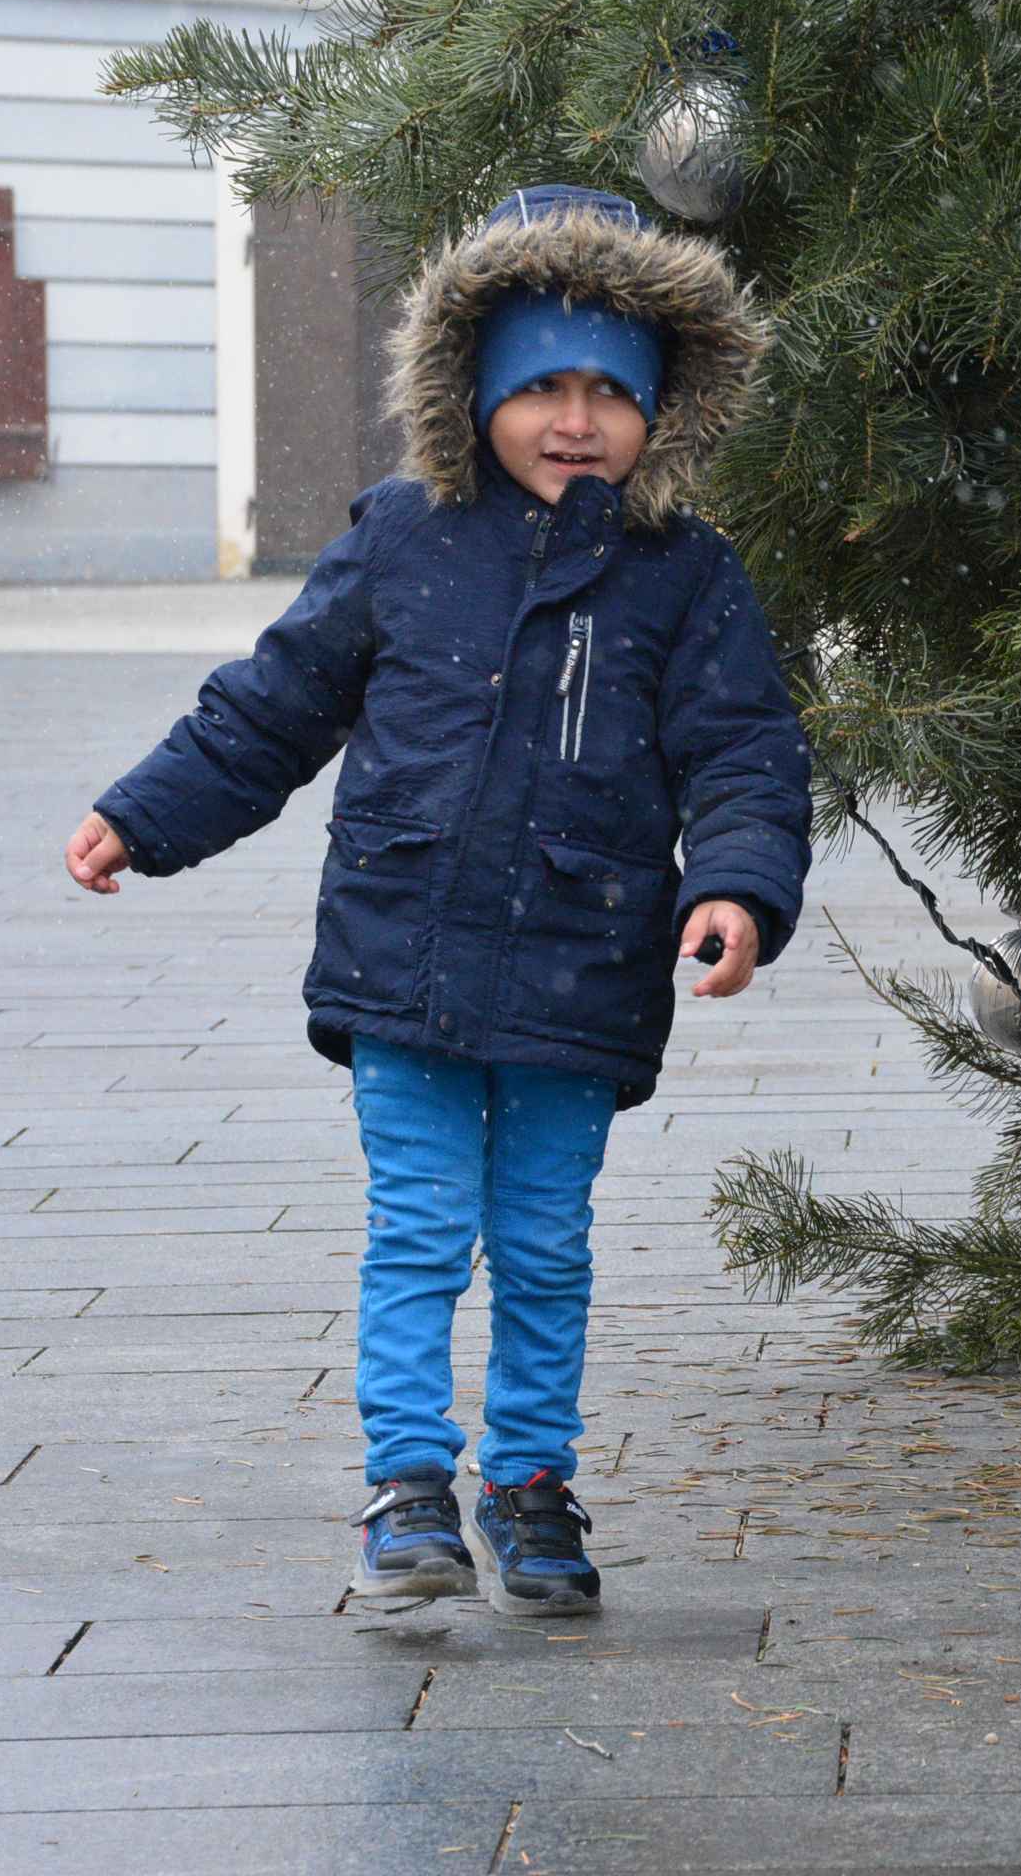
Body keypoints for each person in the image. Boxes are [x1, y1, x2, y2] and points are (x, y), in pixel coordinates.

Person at [61, 185, 810, 1614]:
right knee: (417, 1228)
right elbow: (271, 709)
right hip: (404, 956)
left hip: (583, 967)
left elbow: (748, 755)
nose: (575, 422)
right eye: (542, 388)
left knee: (542, 1240)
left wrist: (735, 892)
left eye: (609, 393)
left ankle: (529, 1485)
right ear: (476, 394)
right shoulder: (403, 539)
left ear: (663, 410)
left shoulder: (685, 578)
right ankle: (408, 1483)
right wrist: (142, 815)